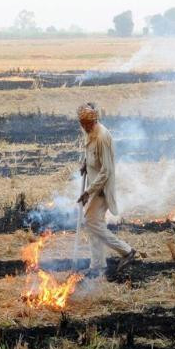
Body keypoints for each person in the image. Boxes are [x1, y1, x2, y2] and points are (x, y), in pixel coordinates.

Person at [76, 103, 136, 276]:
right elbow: (92, 155)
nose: (84, 127)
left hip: (101, 188)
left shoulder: (102, 136)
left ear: (94, 121)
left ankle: (126, 251)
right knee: (94, 224)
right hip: (94, 185)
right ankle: (97, 265)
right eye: (82, 124)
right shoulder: (88, 132)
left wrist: (88, 192)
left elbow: (106, 171)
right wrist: (85, 164)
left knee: (91, 222)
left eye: (87, 124)